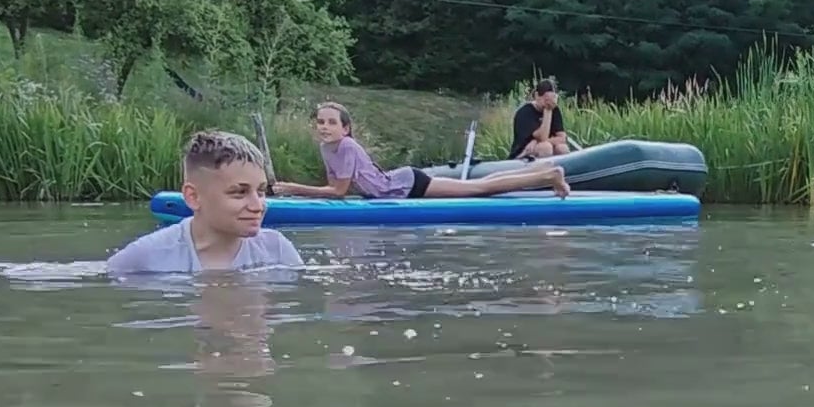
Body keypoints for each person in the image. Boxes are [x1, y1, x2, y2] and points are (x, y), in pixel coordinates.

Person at [274, 102, 569, 200]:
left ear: (346, 128)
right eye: (321, 122)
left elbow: (338, 192)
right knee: (479, 185)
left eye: (331, 123)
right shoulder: (327, 148)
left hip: (406, 184)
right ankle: (544, 173)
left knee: (478, 189)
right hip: (395, 185)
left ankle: (549, 174)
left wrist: (293, 188)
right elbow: (333, 187)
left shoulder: (347, 145)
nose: (325, 127)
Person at [106, 131, 303, 276]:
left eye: (260, 192)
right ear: (193, 197)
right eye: (239, 193)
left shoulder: (277, 250)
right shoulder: (146, 257)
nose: (257, 206)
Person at [509, 79, 573, 160]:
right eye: (546, 100)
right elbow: (543, 137)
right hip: (524, 151)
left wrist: (536, 141)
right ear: (537, 96)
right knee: (545, 147)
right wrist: (548, 110)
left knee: (562, 148)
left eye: (552, 99)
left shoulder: (554, 109)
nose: (549, 103)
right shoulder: (525, 112)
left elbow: (562, 138)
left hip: (538, 145)